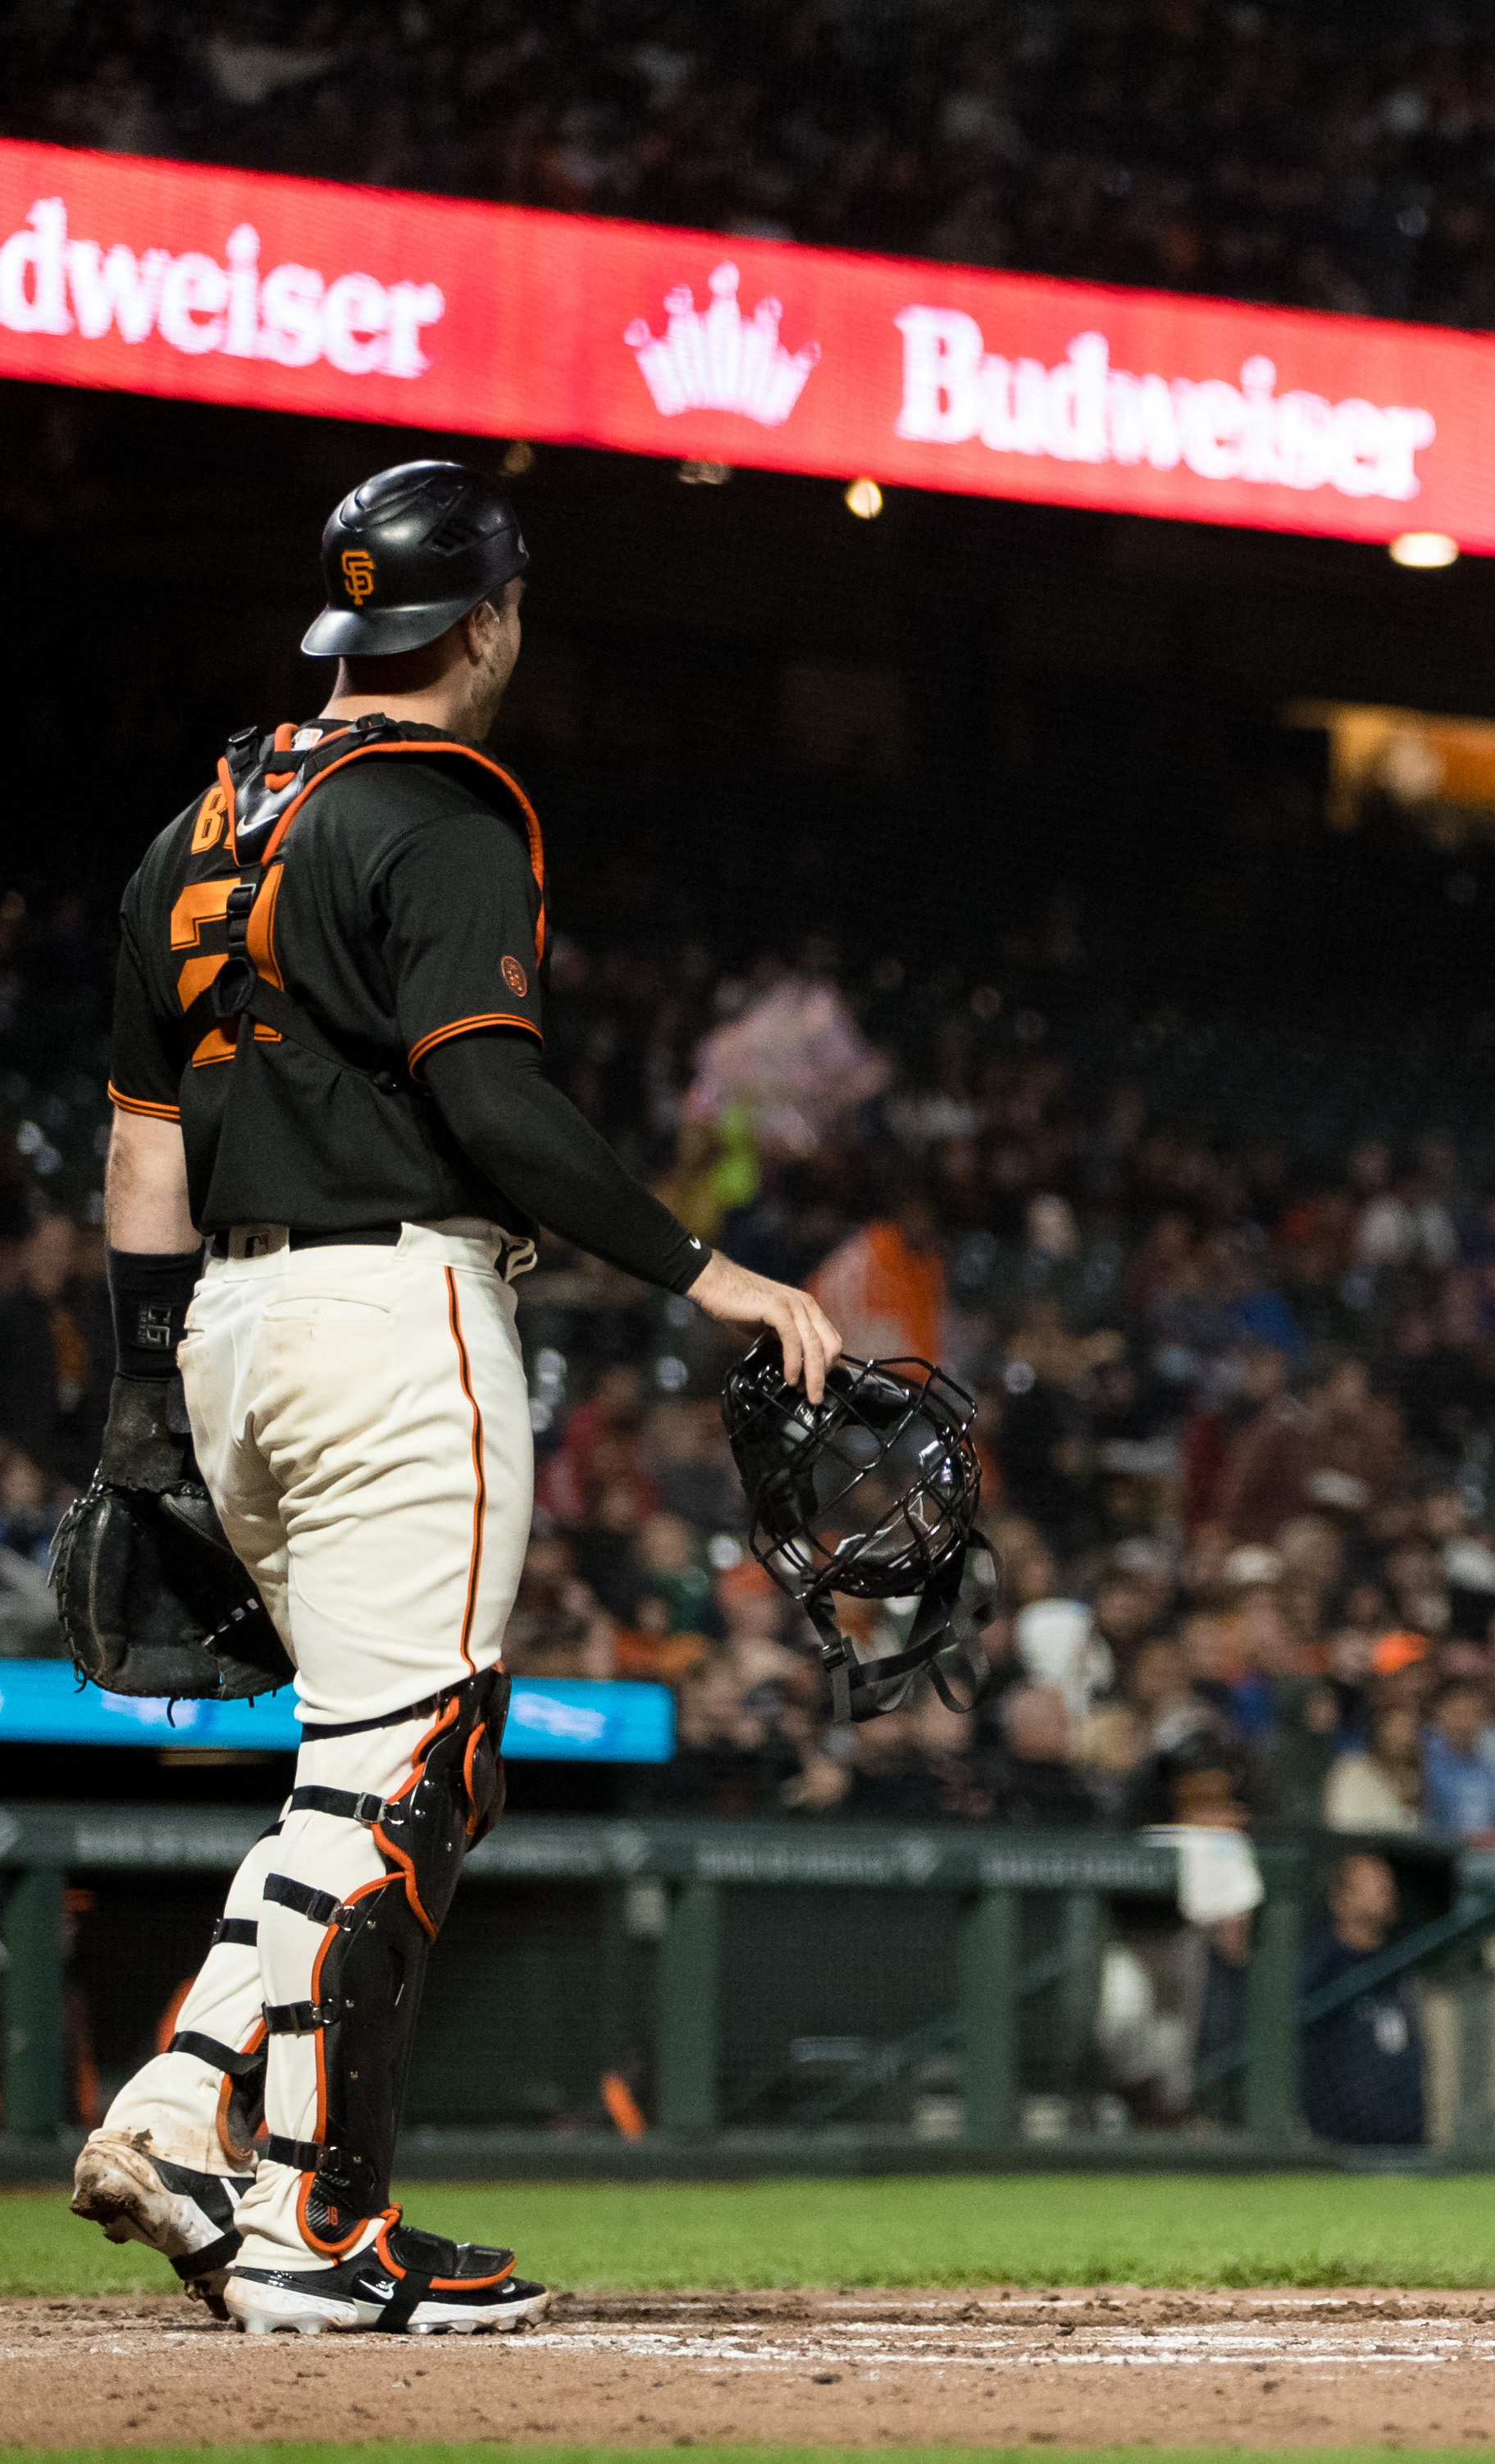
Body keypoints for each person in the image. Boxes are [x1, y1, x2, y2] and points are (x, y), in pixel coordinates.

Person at [67, 463, 837, 2335]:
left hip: (234, 1332)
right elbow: (489, 1099)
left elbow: (141, 1146)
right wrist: (707, 1270)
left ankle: (179, 2115)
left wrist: (154, 1403)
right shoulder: (436, 811)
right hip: (392, 1310)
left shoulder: (200, 829)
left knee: (363, 1773)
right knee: (412, 1768)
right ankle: (322, 2232)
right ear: (485, 621)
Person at [1297, 1850, 1425, 2145]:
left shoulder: (1399, 1966)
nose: (1386, 1888)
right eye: (1372, 1882)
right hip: (1340, 2144)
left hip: (1405, 2142)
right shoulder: (1318, 1970)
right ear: (1340, 1899)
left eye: (1386, 1881)